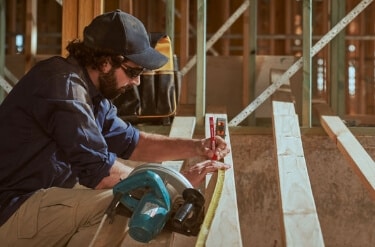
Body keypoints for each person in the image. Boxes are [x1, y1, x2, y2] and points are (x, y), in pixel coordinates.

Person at [0, 10, 231, 247]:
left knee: (138, 202)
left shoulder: (92, 95)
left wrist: (197, 147)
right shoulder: (65, 88)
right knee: (120, 206)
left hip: (33, 204)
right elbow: (101, 172)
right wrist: (173, 190)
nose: (137, 82)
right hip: (10, 212)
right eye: (133, 71)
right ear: (105, 62)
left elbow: (135, 142)